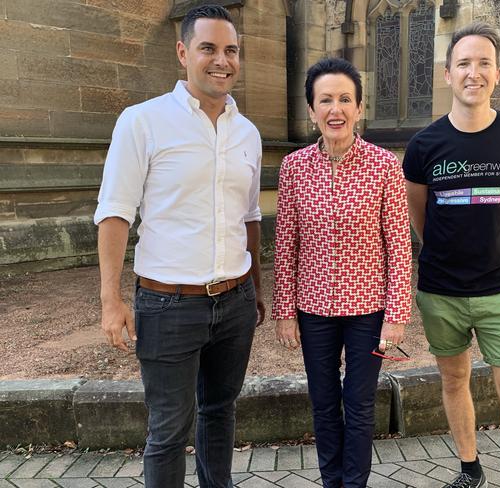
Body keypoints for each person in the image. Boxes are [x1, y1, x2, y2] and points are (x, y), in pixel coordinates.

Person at [94, 5, 264, 488]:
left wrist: (253, 287)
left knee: (220, 413)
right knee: (169, 430)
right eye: (208, 48)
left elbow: (248, 216)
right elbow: (115, 213)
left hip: (233, 304)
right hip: (167, 305)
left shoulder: (247, 133)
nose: (221, 60)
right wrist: (111, 300)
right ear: (182, 52)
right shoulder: (142, 122)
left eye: (231, 50)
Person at [403, 22, 500, 488]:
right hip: (441, 291)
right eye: (463, 63)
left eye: (484, 63)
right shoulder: (423, 146)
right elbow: (421, 219)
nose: (473, 72)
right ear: (448, 74)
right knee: (453, 381)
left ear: (498, 73)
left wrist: (495, 249)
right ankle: (470, 468)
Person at [272, 58, 412, 488]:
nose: (336, 109)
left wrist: (397, 313)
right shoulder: (294, 168)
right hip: (312, 309)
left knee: (360, 402)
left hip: (368, 311)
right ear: (312, 110)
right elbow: (285, 245)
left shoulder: (384, 165)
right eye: (326, 100)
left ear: (359, 107)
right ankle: (332, 481)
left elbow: (399, 246)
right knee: (324, 402)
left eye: (345, 99)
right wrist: (284, 311)